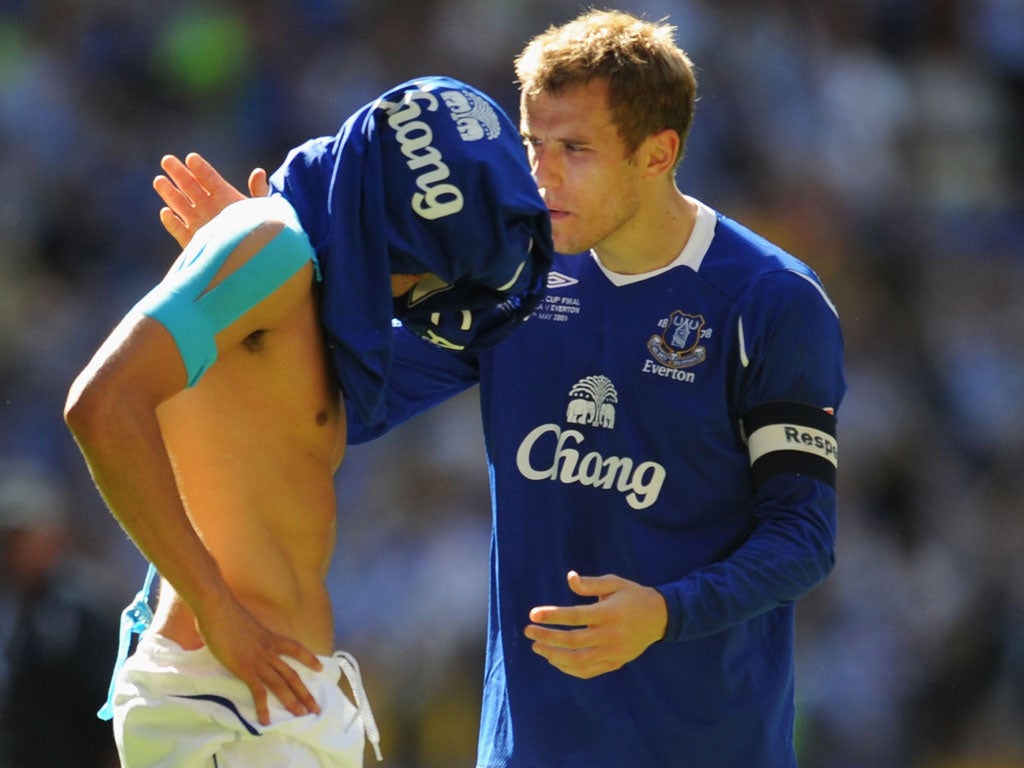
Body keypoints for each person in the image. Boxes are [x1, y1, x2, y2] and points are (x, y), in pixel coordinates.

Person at [156, 10, 846, 767]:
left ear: (658, 154)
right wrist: (263, 291)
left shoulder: (770, 299)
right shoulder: (513, 272)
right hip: (527, 749)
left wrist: (664, 613)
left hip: (707, 746)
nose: (542, 175)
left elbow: (802, 538)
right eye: (531, 145)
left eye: (575, 149)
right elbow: (350, 395)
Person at [64, 75, 552, 768]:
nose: (414, 296)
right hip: (226, 697)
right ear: (385, 229)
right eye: (418, 272)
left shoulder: (294, 278)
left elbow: (470, 352)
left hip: (283, 698)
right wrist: (217, 611)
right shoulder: (270, 246)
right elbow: (101, 405)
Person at [0, 460, 120, 768]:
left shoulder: (80, 608)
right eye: (12, 540)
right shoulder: (15, 601)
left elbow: (107, 695)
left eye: (25, 538)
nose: (18, 550)